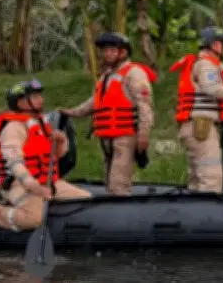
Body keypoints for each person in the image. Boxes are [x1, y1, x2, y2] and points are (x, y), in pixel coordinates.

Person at [0, 80, 91, 230]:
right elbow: (15, 163)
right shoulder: (13, 128)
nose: (41, 99)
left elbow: (56, 157)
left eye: (40, 96)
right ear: (21, 102)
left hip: (46, 181)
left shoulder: (39, 124)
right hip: (19, 184)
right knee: (32, 219)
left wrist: (61, 141)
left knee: (84, 199)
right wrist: (33, 186)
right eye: (35, 97)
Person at [60, 32, 157, 195]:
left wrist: (143, 135)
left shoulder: (133, 73)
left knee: (118, 184)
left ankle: (120, 205)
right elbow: (94, 102)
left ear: (123, 52)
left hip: (125, 136)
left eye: (112, 50)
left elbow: (145, 106)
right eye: (105, 50)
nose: (107, 54)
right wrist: (72, 112)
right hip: (107, 137)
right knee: (109, 180)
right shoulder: (106, 76)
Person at [169, 26, 223, 194]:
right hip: (201, 126)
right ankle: (207, 210)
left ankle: (195, 208)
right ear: (216, 45)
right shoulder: (206, 65)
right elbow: (213, 88)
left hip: (198, 126)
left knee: (197, 179)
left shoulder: (204, 64)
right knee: (211, 178)